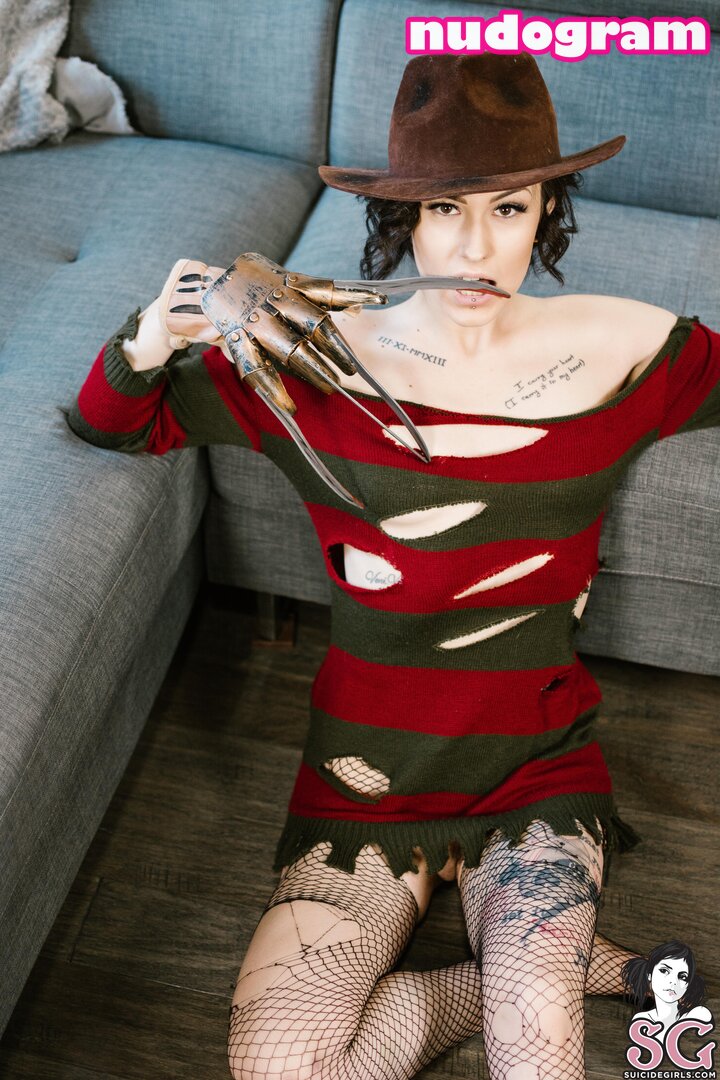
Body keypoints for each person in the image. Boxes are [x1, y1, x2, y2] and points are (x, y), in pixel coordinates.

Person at [67, 52, 720, 1080]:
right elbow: (113, 422)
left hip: (533, 768)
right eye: (446, 209)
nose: (477, 248)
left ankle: (526, 980)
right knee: (280, 1066)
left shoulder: (624, 347)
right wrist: (150, 335)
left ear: (548, 209)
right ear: (403, 216)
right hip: (363, 780)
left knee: (537, 1062)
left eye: (510, 209)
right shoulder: (310, 364)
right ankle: (500, 979)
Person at [621, 941, 712, 1047]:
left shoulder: (699, 1014)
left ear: (688, 985)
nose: (673, 981)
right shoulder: (641, 1020)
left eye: (682, 977)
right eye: (664, 971)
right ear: (649, 975)